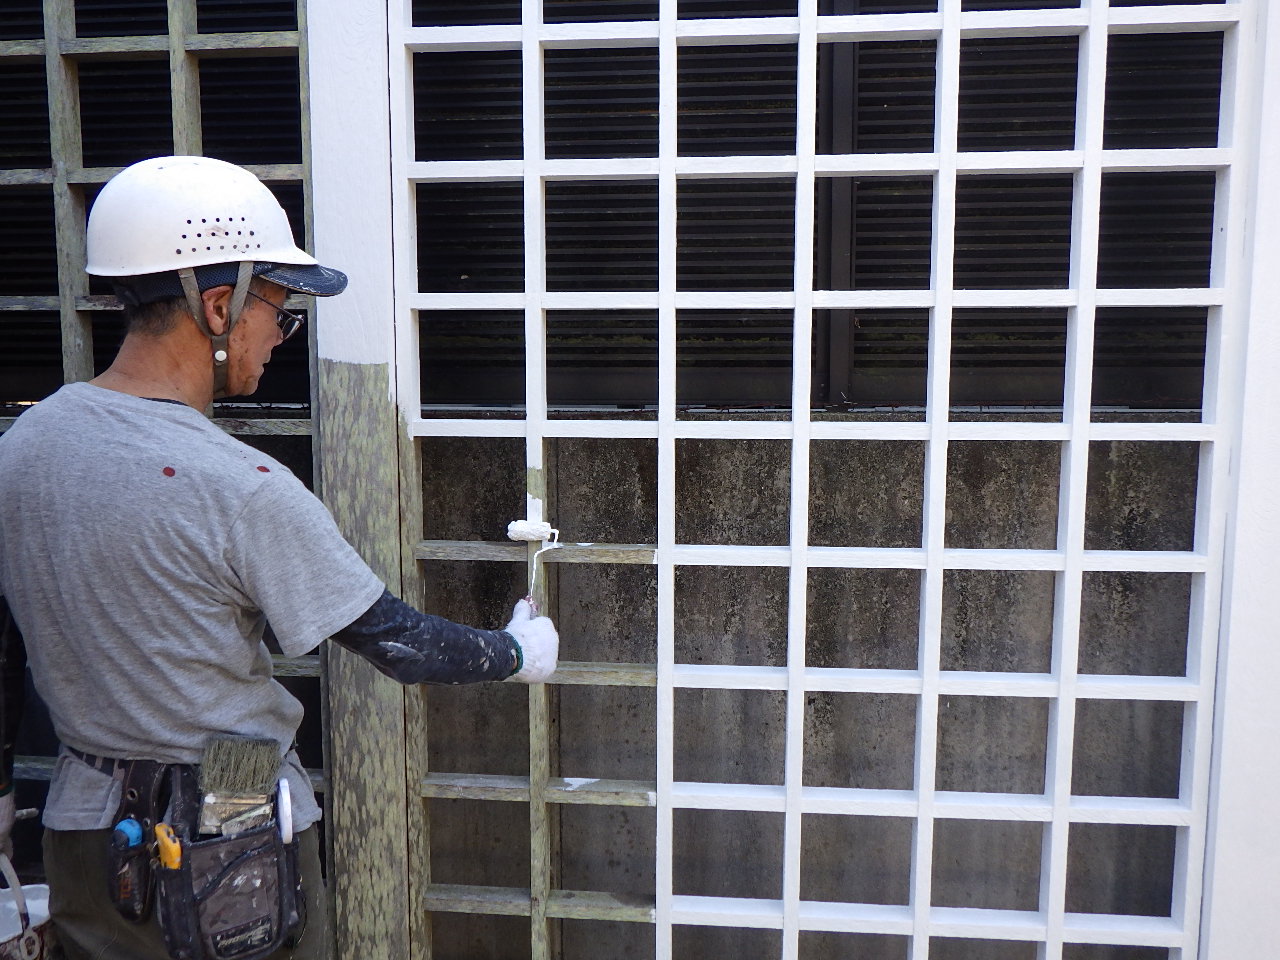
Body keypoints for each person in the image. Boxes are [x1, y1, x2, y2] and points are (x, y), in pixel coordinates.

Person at [0, 155, 558, 959]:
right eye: (278, 310)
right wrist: (516, 651)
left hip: (82, 826)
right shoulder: (238, 485)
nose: (281, 335)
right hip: (223, 844)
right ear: (217, 306)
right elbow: (396, 642)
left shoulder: (25, 446)